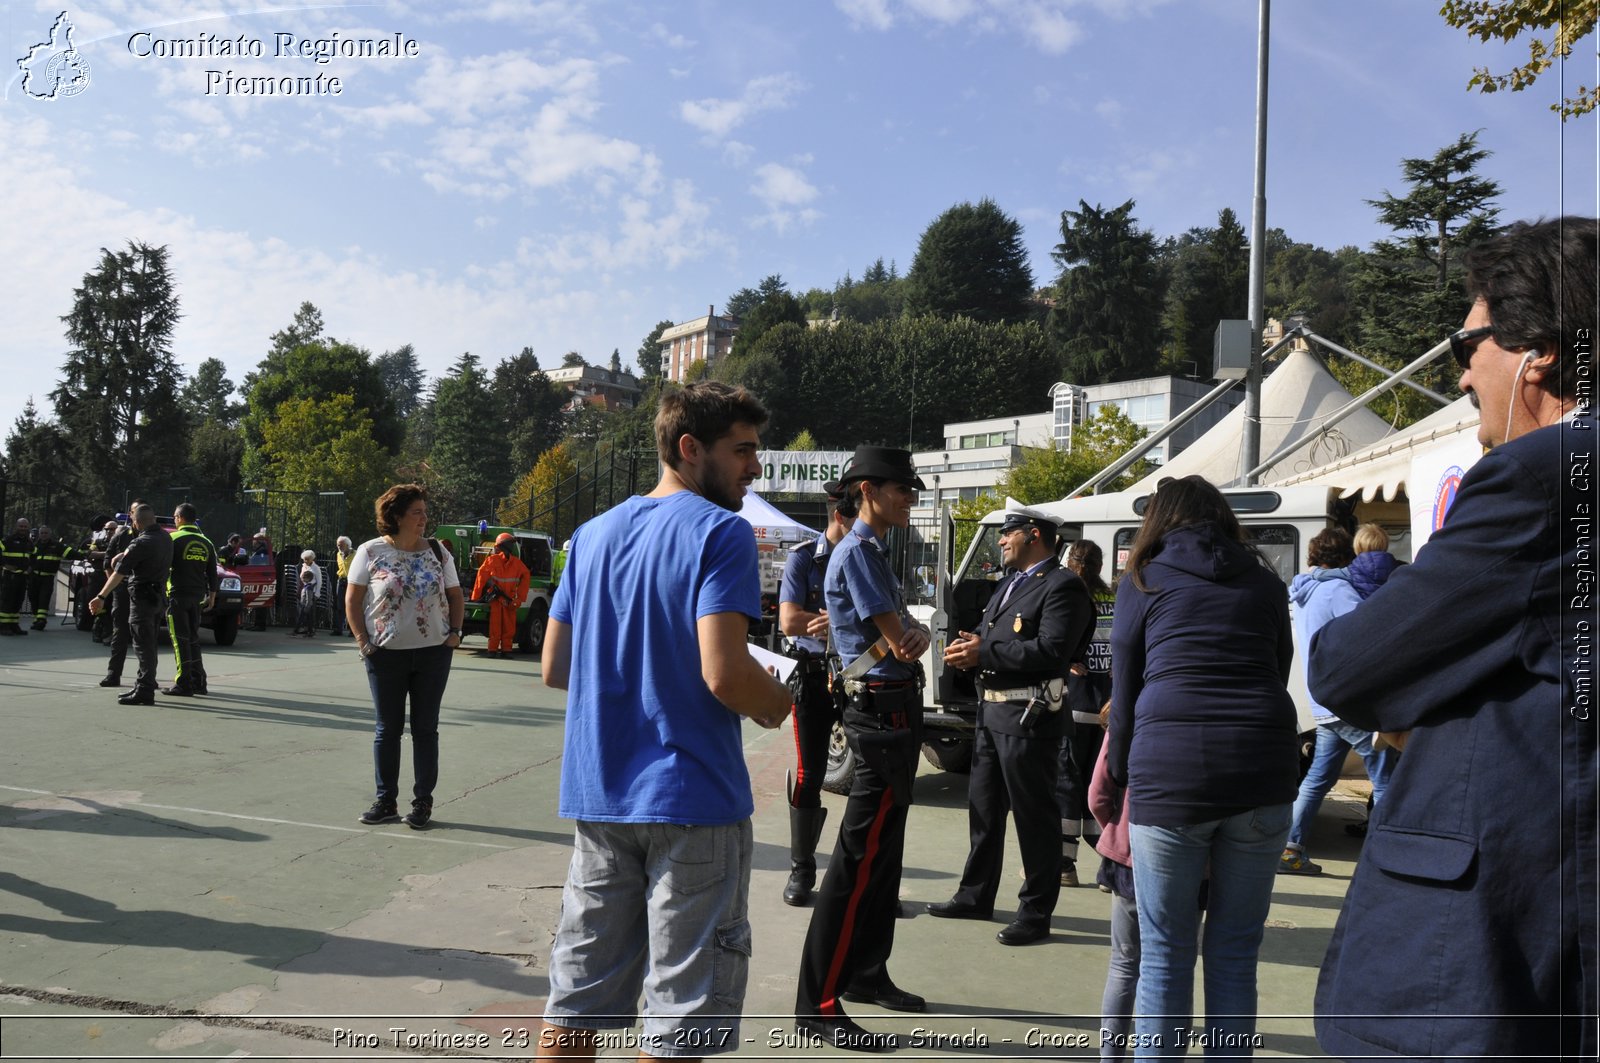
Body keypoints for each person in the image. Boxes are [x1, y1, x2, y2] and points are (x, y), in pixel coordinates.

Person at [1310, 217, 1598, 1061]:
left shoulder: (1541, 476)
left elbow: (1350, 665)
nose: (1463, 370)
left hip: (1481, 957)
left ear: (1536, 351)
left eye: (1467, 342)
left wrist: (1426, 688)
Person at [534, 381, 790, 1062]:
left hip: (601, 795)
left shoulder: (589, 537)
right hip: (694, 800)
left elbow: (554, 666)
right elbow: (726, 673)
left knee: (574, 1003)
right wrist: (778, 702)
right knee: (681, 1017)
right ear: (689, 448)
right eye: (742, 451)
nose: (754, 467)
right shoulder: (721, 532)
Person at [1104, 474, 1298, 1058]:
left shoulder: (1142, 579)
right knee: (1236, 950)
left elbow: (1125, 687)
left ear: (1158, 520)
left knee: (1164, 952)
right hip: (1262, 767)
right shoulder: (1266, 583)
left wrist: (1118, 772)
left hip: (1171, 773)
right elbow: (1279, 667)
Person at [795, 445, 932, 1053]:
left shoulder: (870, 549)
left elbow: (903, 634)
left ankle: (867, 973)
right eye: (903, 489)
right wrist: (915, 633)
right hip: (879, 716)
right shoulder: (858, 551)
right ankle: (818, 1002)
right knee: (856, 864)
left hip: (892, 712)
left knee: (883, 859)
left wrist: (912, 634)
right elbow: (902, 640)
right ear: (870, 490)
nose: (911, 497)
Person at [929, 504, 1092, 946]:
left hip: (1029, 718)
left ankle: (1035, 913)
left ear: (1033, 534)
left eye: (1008, 533)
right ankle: (975, 895)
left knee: (1034, 820)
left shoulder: (1062, 587)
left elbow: (1052, 651)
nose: (1001, 540)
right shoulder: (1008, 586)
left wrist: (985, 653)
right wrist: (974, 647)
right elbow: (1000, 638)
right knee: (983, 812)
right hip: (991, 714)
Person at [345, 484, 465, 830]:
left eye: (425, 512)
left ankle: (422, 803)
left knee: (426, 730)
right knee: (388, 729)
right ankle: (386, 801)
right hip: (385, 655)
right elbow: (353, 601)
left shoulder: (439, 554)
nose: (424, 519)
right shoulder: (369, 552)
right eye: (417, 512)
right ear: (396, 516)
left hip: (433, 655)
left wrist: (454, 634)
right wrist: (363, 643)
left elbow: (455, 595)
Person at [1278, 527, 1391, 876]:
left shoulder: (1304, 590)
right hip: (1345, 698)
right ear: (1346, 556)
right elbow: (1366, 631)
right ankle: (1385, 858)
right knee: (1386, 778)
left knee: (1316, 781)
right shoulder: (1338, 590)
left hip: (1322, 700)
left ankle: (1289, 849)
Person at [776, 483, 849, 907]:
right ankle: (802, 870)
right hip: (813, 673)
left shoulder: (867, 558)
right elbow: (789, 621)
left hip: (857, 677)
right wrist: (830, 623)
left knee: (870, 779)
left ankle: (858, 873)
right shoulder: (804, 558)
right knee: (810, 775)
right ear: (840, 514)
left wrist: (830, 622)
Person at [1056, 538, 1114, 888]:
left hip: (1074, 703)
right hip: (1106, 706)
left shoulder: (1069, 596)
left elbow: (1057, 643)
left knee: (1066, 782)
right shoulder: (1114, 599)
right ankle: (1109, 864)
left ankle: (1064, 865)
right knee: (1101, 785)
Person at [89, 503, 174, 706]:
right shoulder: (166, 538)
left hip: (142, 598)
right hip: (157, 597)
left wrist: (100, 597)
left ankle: (144, 690)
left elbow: (119, 572)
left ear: (136, 522)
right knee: (149, 642)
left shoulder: (141, 542)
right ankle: (144, 683)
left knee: (141, 644)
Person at [163, 504, 218, 697]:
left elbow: (162, 566)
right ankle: (199, 682)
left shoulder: (172, 538)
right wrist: (211, 598)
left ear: (179, 518)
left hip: (177, 595)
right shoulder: (207, 542)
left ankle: (183, 683)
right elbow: (213, 573)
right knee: (193, 638)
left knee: (180, 640)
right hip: (197, 597)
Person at [471, 532, 529, 660]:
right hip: (497, 599)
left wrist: (519, 598)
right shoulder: (493, 560)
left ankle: (506, 650)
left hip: (509, 600)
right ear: (504, 546)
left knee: (509, 626)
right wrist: (476, 595)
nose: (513, 546)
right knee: (495, 625)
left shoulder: (517, 563)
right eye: (510, 543)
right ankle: (492, 649)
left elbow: (526, 578)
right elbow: (481, 576)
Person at [98, 512, 137, 684]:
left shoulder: (154, 538)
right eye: (134, 512)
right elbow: (107, 562)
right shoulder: (121, 536)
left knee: (144, 636)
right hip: (122, 593)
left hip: (144, 593)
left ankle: (147, 678)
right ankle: (113, 674)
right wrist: (114, 585)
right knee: (119, 633)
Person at [26, 525, 75, 631]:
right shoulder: (34, 545)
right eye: (42, 533)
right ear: (39, 534)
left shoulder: (56, 546)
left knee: (44, 599)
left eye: (46, 533)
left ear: (50, 534)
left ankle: (41, 621)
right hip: (34, 577)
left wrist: (85, 554)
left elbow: (71, 553)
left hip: (47, 578)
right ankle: (37, 618)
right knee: (33, 597)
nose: (44, 535)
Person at [0, 517, 33, 636]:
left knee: (18, 601)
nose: (23, 528)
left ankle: (14, 625)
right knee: (7, 601)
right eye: (21, 526)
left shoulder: (29, 542)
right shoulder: (8, 540)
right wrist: (5, 564)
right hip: (10, 576)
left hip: (22, 577)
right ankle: (3, 626)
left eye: (25, 526)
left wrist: (31, 567)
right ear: (16, 527)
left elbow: (34, 556)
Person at [294, 549, 323, 636]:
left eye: (308, 559)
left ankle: (308, 630)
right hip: (305, 590)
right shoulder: (303, 566)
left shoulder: (316, 568)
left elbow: (319, 581)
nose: (306, 561)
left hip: (312, 591)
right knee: (303, 609)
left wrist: (317, 593)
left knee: (308, 610)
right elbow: (302, 578)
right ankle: (306, 629)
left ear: (312, 558)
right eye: (304, 559)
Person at [332, 536, 354, 636]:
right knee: (339, 606)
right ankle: (338, 629)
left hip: (352, 582)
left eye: (341, 545)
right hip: (341, 581)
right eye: (338, 545)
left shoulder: (356, 554)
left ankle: (352, 630)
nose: (339, 546)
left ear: (348, 545)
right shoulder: (338, 554)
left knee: (351, 605)